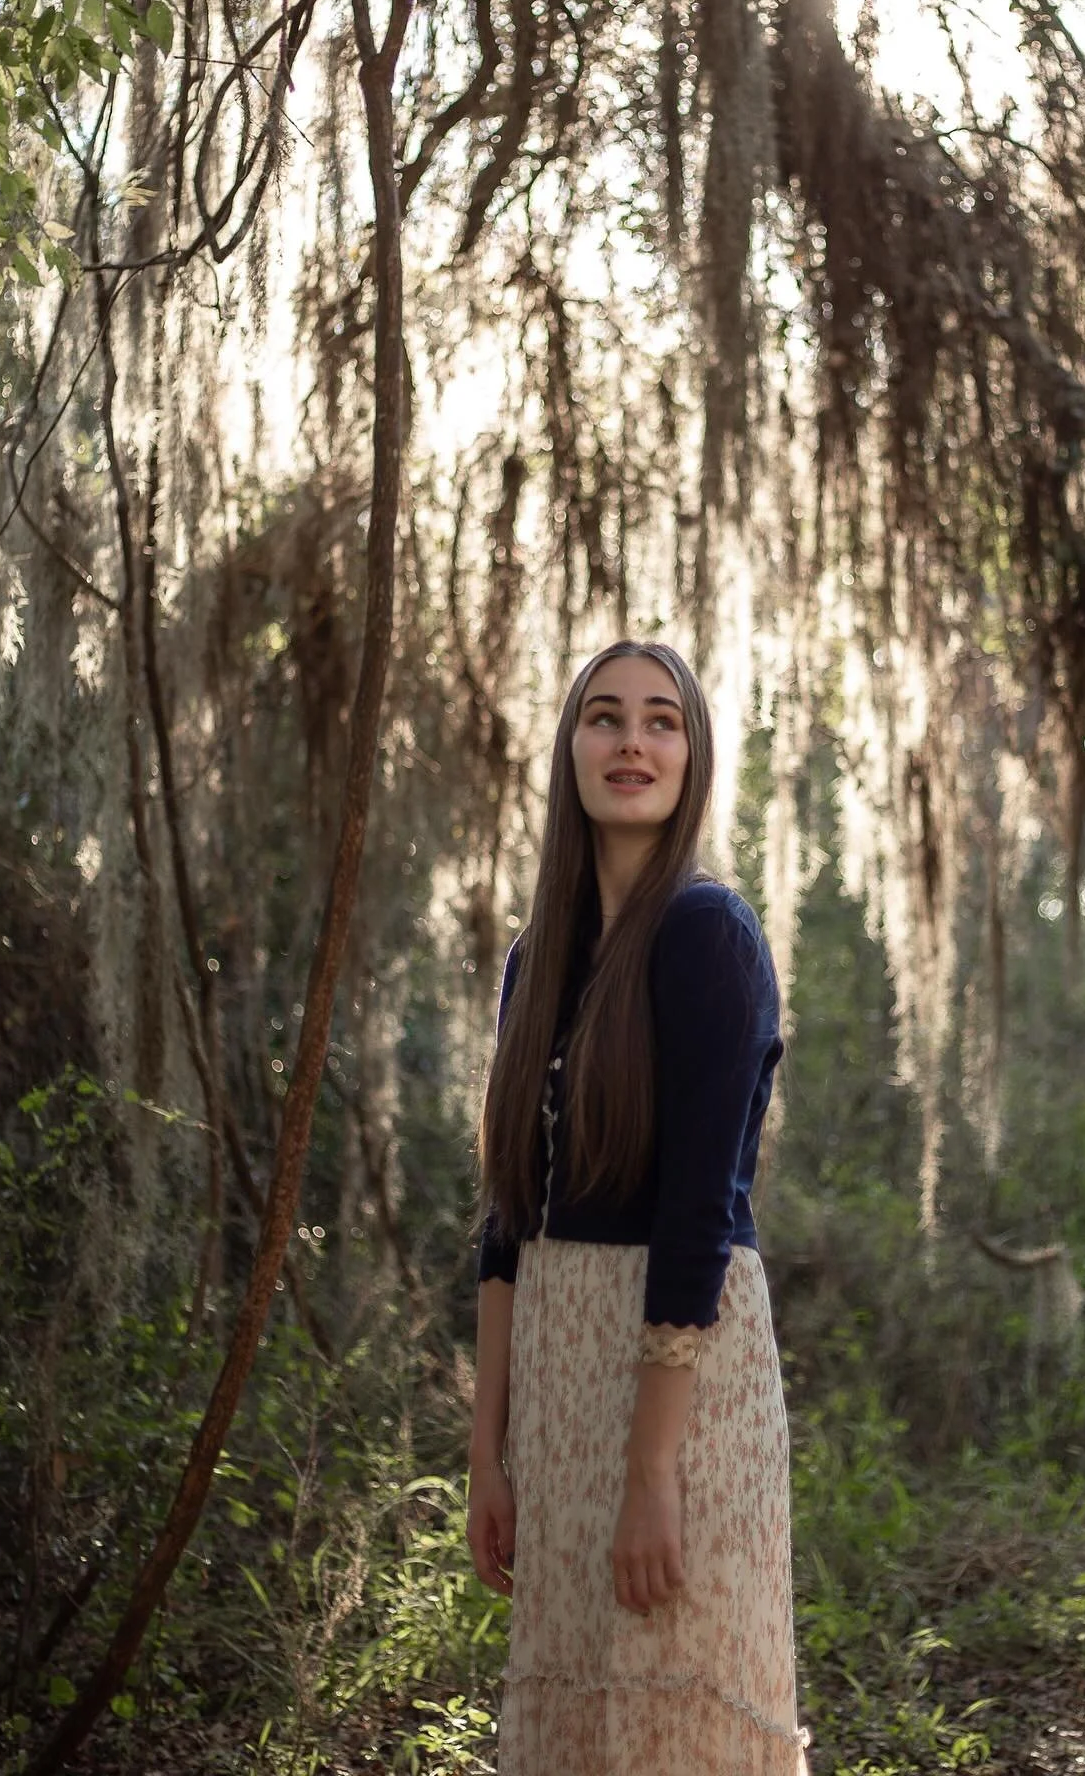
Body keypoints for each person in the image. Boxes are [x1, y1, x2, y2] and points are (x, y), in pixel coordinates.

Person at [464, 640, 812, 1775]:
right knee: (580, 1726)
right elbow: (506, 1223)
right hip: (558, 1383)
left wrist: (651, 1473)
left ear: (694, 755)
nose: (632, 741)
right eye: (605, 718)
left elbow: (701, 1216)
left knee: (678, 1719)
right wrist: (489, 1453)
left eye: (663, 721)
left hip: (685, 1394)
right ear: (570, 751)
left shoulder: (710, 935)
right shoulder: (536, 961)